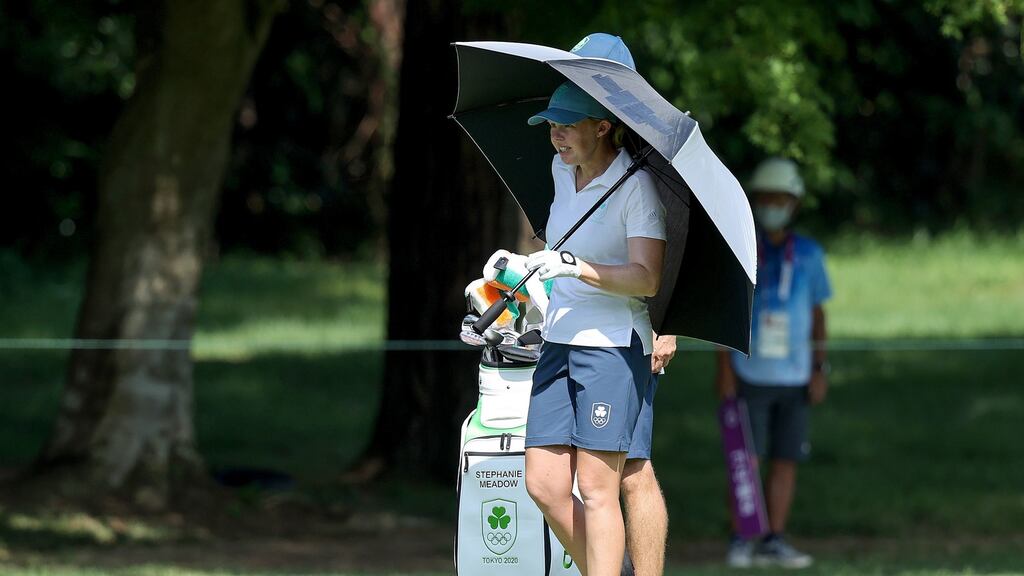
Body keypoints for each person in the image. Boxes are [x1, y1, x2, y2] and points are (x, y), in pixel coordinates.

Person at [521, 76, 667, 576]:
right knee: (543, 482)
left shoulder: (638, 188)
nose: (556, 135)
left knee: (599, 486)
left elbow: (646, 278)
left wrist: (576, 267)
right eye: (551, 127)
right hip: (558, 338)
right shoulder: (562, 173)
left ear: (602, 127)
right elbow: (557, 250)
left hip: (610, 346)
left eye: (567, 126)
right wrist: (522, 269)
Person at [567, 31, 674, 576]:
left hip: (634, 329)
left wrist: (668, 325)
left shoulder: (653, 162)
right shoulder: (574, 146)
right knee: (615, 471)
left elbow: (671, 257)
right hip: (586, 325)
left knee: (633, 470)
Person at [715, 157, 832, 569]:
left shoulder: (810, 254)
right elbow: (727, 312)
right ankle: (742, 537)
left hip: (796, 373)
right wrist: (725, 368)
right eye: (766, 198)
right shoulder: (744, 250)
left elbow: (819, 315)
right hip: (750, 373)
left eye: (781, 199)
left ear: (794, 203)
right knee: (745, 459)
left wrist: (820, 368)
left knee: (786, 458)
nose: (773, 206)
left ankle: (773, 538)